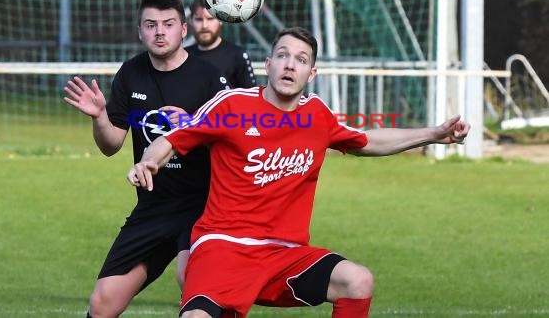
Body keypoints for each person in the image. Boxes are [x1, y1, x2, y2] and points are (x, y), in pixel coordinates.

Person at [127, 27, 471, 318]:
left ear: (312, 74)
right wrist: (149, 161)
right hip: (223, 247)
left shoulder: (317, 115)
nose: (291, 65)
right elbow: (172, 138)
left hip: (283, 255)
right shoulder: (232, 105)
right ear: (268, 64)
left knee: (358, 280)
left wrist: (433, 134)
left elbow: (367, 140)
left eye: (301, 60)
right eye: (283, 56)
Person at [63, 0, 228, 318]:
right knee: (103, 301)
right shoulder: (131, 73)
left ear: (184, 29)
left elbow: (229, 145)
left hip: (202, 206)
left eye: (168, 24)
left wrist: (194, 126)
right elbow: (111, 146)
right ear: (140, 31)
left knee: (192, 280)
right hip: (152, 206)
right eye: (150, 25)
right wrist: (99, 117)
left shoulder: (209, 78)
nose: (159, 32)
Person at [186, 0, 256, 88]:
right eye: (199, 19)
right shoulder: (183, 56)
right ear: (190, 21)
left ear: (221, 19)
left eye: (210, 19)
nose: (204, 25)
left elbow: (249, 98)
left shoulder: (237, 55)